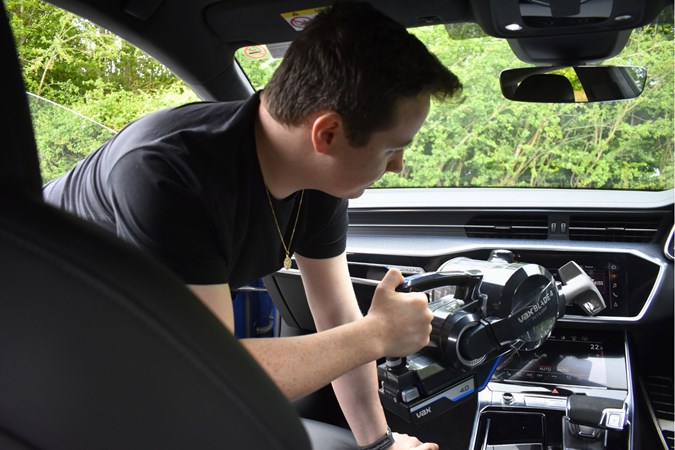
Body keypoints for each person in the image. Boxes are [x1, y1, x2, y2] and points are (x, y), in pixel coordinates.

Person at [44, 2, 462, 449]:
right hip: (49, 340)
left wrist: (380, 444)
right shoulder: (165, 174)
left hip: (141, 349)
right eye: (391, 150)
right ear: (327, 134)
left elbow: (337, 318)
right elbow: (207, 375)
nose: (398, 166)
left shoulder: (321, 178)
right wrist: (378, 333)